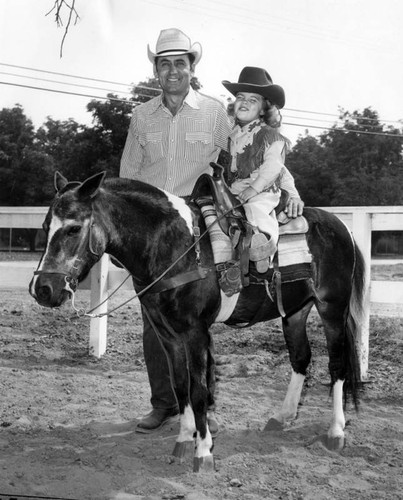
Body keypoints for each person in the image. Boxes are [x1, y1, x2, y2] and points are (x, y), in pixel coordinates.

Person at [120, 30, 304, 433]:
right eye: (164, 63)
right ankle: (163, 403)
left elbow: (261, 155)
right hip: (153, 233)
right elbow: (128, 175)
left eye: (180, 63)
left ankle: (205, 403)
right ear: (156, 69)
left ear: (192, 67)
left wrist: (290, 190)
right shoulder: (140, 116)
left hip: (197, 221)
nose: (173, 71)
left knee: (197, 315)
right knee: (155, 320)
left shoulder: (215, 113)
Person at [222, 67, 303, 272]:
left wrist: (254, 189)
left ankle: (263, 247)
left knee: (256, 211)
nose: (245, 102)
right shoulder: (231, 134)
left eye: (253, 99)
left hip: (263, 190)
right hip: (235, 190)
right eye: (241, 97)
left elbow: (274, 167)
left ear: (263, 109)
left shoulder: (270, 136)